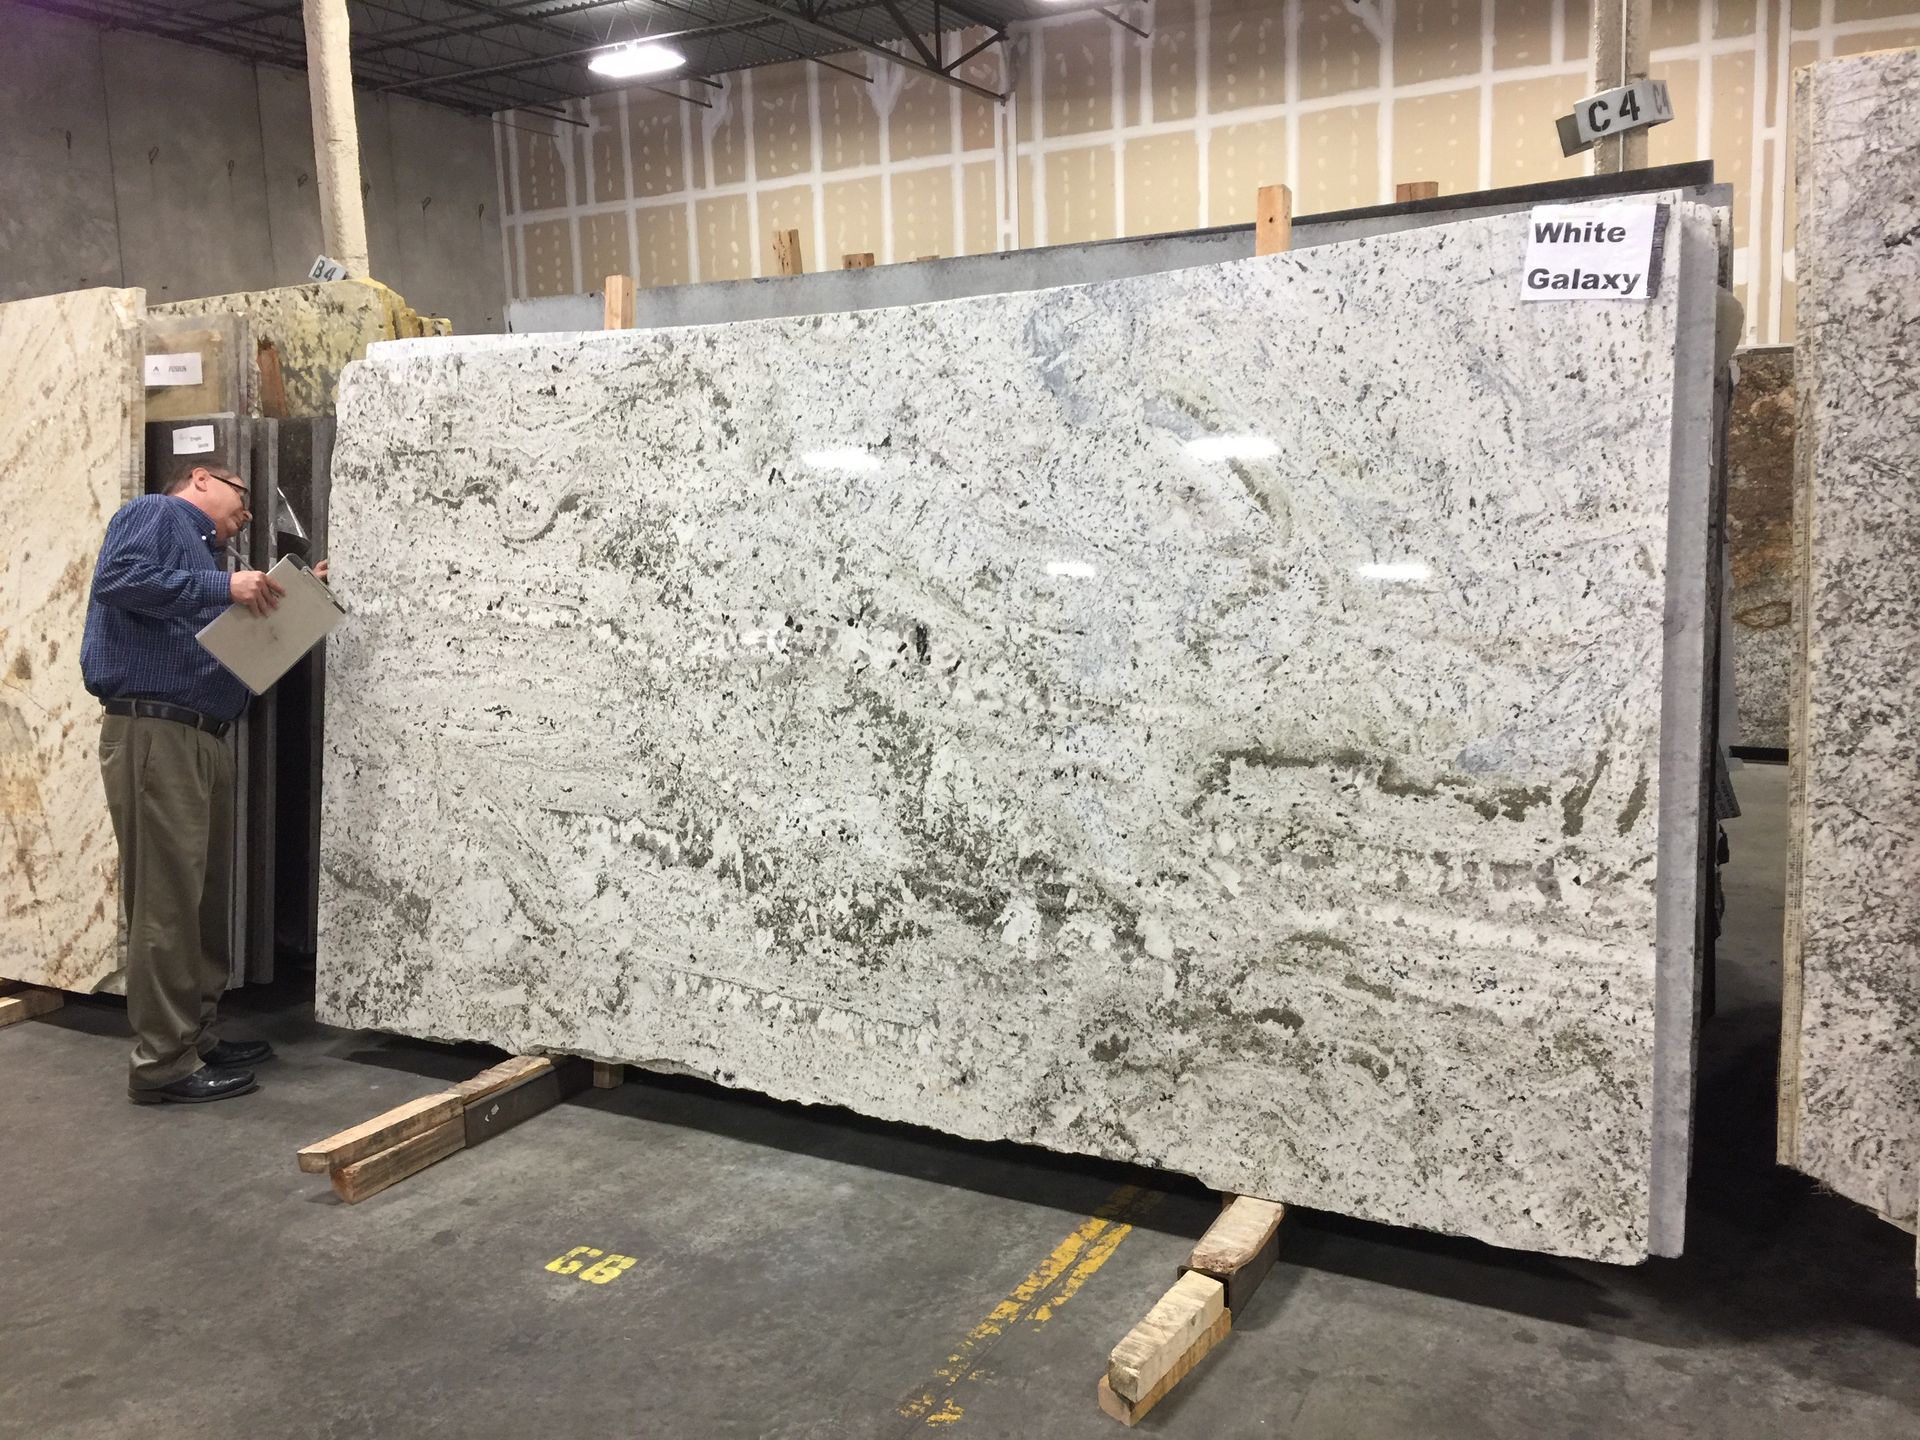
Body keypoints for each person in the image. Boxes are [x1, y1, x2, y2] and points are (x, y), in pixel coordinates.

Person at [79, 463, 325, 1105]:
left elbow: (216, 613)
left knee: (204, 899)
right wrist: (227, 586)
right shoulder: (158, 516)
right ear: (201, 479)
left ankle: (197, 1033)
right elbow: (120, 580)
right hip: (154, 732)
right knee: (165, 901)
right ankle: (161, 1064)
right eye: (241, 500)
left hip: (201, 734)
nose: (244, 514)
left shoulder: (213, 555)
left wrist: (287, 597)